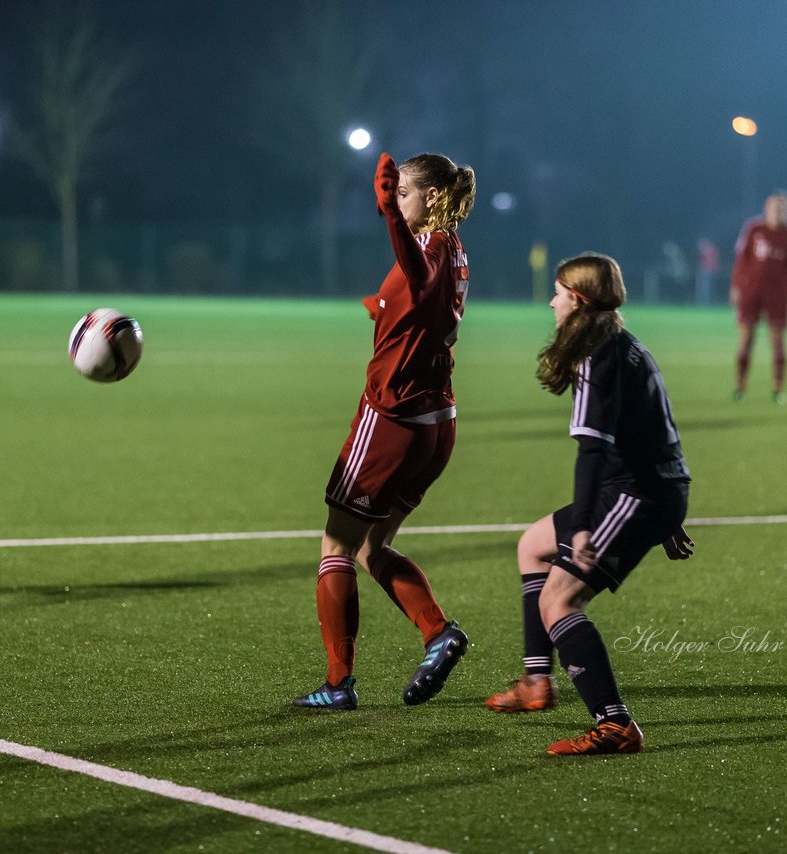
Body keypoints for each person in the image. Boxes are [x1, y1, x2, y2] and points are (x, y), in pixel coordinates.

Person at [483, 252, 694, 756]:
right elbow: (651, 429)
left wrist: (584, 529)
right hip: (649, 489)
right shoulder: (618, 342)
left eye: (558, 292)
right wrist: (666, 515)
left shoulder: (597, 356)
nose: (551, 301)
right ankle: (537, 682)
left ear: (578, 300)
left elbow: (593, 449)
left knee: (560, 602)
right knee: (532, 546)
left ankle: (614, 724)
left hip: (635, 493)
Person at [293, 151, 476, 711]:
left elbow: (419, 281)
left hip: (393, 416)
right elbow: (423, 304)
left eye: (403, 195)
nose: (395, 203)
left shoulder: (427, 245)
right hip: (436, 421)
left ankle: (337, 683)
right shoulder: (455, 251)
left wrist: (392, 220)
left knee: (337, 546)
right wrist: (382, 309)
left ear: (431, 198)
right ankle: (437, 633)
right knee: (375, 547)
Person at [729, 191, 787, 403]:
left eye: (782, 209)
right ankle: (740, 386)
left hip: (777, 295)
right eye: (774, 208)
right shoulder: (754, 229)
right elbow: (741, 259)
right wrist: (736, 287)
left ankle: (778, 388)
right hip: (752, 292)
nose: (778, 212)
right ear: (766, 209)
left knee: (778, 343)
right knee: (745, 340)